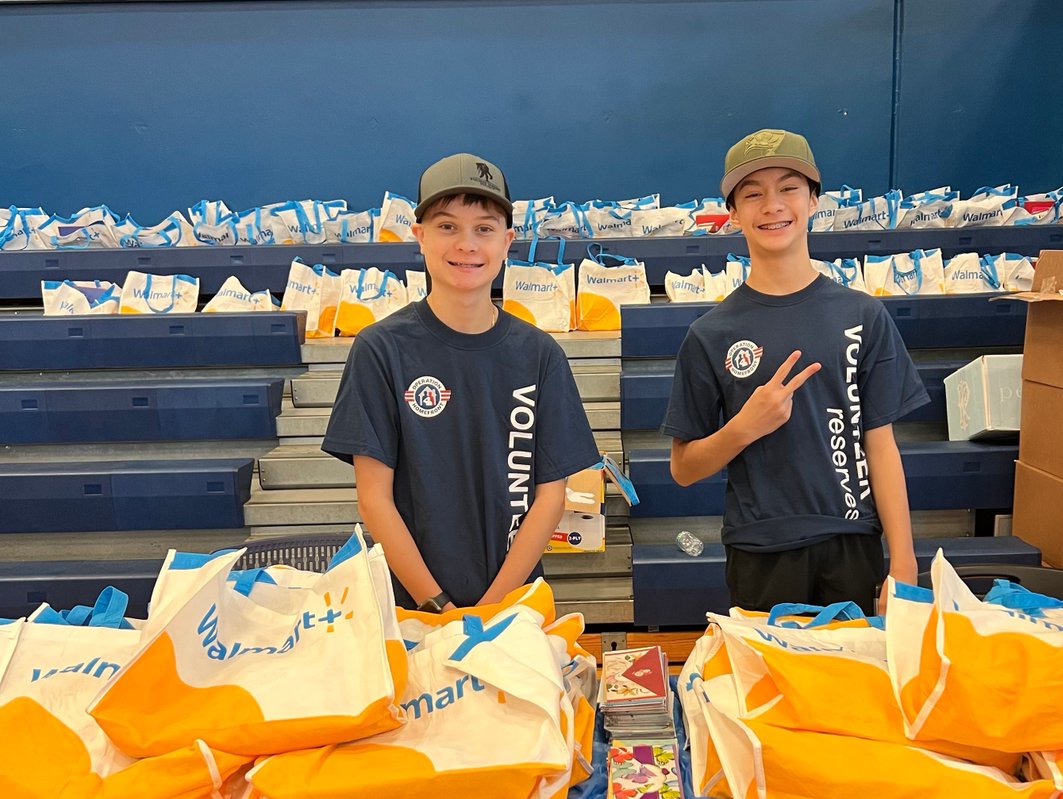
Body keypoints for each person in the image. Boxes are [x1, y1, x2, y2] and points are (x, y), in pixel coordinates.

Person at [662, 129, 929, 615]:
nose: (772, 205)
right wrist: (743, 428)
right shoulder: (710, 334)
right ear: (733, 213)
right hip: (760, 552)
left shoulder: (862, 316)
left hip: (852, 543)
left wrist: (904, 565)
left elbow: (882, 446)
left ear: (813, 199)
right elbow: (683, 468)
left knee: (854, 687)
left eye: (788, 188)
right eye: (752, 194)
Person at [322, 152, 599, 612]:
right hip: (414, 607)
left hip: (514, 605)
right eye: (447, 226)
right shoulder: (381, 350)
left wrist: (492, 609)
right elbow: (374, 500)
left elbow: (551, 496)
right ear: (420, 236)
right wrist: (438, 607)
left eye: (484, 229)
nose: (467, 245)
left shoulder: (539, 355)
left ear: (507, 241)